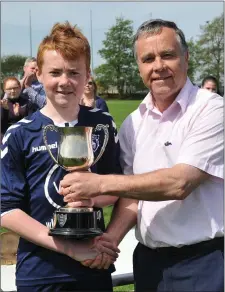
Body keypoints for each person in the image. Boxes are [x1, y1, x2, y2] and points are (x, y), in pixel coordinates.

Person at [59, 19, 224, 292]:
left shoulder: (212, 110)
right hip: (149, 263)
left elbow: (179, 183)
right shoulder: (134, 123)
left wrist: (99, 184)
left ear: (186, 57)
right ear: (139, 67)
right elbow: (132, 197)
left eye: (167, 55)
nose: (158, 66)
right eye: (148, 59)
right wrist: (110, 239)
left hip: (204, 263)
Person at [1, 21, 121, 292]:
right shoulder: (20, 133)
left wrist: (92, 197)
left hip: (93, 264)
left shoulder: (103, 125)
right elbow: (6, 209)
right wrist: (67, 248)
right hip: (40, 272)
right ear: (39, 75)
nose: (65, 81)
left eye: (74, 72)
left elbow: (119, 186)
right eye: (55, 72)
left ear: (87, 75)